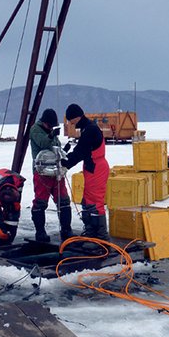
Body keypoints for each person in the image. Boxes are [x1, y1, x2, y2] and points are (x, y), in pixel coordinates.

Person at [61, 103, 110, 240]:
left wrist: (65, 163)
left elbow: (80, 152)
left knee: (95, 202)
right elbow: (81, 151)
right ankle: (91, 232)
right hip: (91, 167)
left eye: (70, 119)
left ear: (76, 117)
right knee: (87, 200)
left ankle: (101, 236)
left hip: (97, 168)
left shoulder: (90, 130)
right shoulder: (86, 128)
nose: (70, 122)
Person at [29, 108, 74, 243]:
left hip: (56, 172)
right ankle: (40, 232)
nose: (50, 128)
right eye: (49, 125)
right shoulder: (35, 130)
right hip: (42, 172)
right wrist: (51, 135)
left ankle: (66, 229)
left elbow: (55, 146)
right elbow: (43, 143)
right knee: (40, 202)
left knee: (64, 200)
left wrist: (64, 150)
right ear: (44, 122)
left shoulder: (51, 132)